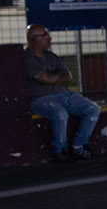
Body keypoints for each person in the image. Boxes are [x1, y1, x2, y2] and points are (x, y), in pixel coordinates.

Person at [23, 23, 101, 163]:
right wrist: (55, 77)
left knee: (92, 108)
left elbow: (67, 77)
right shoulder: (27, 58)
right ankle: (60, 149)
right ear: (33, 39)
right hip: (41, 98)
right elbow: (42, 78)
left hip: (63, 94)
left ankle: (78, 146)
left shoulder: (51, 56)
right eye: (45, 35)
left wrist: (50, 78)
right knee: (60, 114)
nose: (49, 38)